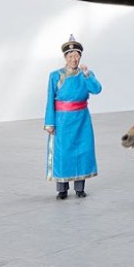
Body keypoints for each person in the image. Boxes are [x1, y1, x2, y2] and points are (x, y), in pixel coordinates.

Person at [45, 35, 101, 199]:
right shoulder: (56, 75)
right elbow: (50, 100)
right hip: (63, 119)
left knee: (82, 151)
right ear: (65, 57)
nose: (73, 59)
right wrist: (50, 122)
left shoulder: (85, 75)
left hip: (82, 119)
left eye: (76, 55)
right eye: (70, 56)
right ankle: (62, 189)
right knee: (63, 153)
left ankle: (80, 188)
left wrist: (87, 75)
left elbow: (97, 90)